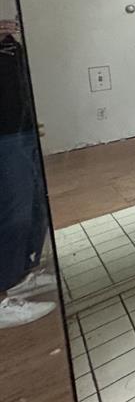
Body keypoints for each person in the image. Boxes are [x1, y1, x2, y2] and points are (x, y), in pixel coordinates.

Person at [0, 19, 56, 328]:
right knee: (11, 214)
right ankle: (3, 298)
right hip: (4, 138)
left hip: (19, 130)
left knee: (33, 206)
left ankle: (21, 274)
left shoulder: (7, 42)